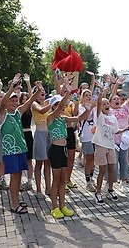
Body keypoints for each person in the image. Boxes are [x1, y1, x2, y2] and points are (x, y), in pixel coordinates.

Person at [46, 81, 92, 218]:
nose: (63, 106)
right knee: (56, 180)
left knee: (62, 181)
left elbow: (79, 118)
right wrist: (67, 92)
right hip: (55, 150)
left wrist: (88, 109)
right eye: (59, 105)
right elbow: (60, 105)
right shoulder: (50, 117)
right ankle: (54, 207)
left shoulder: (63, 118)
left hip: (64, 151)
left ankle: (62, 206)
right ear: (53, 106)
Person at [0, 74, 42, 214]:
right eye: (13, 101)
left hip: (20, 149)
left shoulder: (18, 112)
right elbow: (3, 102)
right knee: (14, 177)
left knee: (18, 176)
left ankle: (16, 199)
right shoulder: (3, 113)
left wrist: (37, 91)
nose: (15, 103)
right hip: (10, 152)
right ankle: (14, 204)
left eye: (16, 101)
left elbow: (29, 101)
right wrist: (11, 88)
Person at [92, 84, 129, 205]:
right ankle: (98, 193)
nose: (106, 106)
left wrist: (125, 129)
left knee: (112, 169)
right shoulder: (99, 115)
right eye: (104, 104)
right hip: (101, 146)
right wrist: (102, 93)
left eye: (107, 104)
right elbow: (98, 104)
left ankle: (110, 189)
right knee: (102, 170)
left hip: (111, 146)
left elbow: (116, 131)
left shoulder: (113, 117)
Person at [31, 85, 52, 198]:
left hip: (49, 135)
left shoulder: (47, 102)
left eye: (43, 91)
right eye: (39, 92)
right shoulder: (34, 104)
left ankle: (48, 188)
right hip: (40, 135)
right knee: (39, 163)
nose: (42, 93)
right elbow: (42, 110)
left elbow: (59, 96)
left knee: (48, 163)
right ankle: (38, 189)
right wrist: (52, 104)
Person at [78, 88, 97, 192]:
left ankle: (91, 176)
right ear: (82, 97)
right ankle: (88, 181)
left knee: (93, 158)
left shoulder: (94, 108)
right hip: (86, 135)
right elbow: (83, 117)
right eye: (86, 95)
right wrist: (89, 108)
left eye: (90, 95)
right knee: (88, 158)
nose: (89, 97)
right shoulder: (81, 107)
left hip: (95, 135)